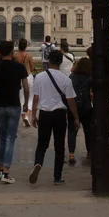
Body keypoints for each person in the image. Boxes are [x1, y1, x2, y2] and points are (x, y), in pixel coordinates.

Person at [29, 49, 80, 186]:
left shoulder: (39, 77)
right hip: (59, 114)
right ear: (61, 61)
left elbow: (35, 98)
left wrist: (34, 115)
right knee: (59, 146)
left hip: (45, 113)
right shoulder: (65, 79)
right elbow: (70, 101)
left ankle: (38, 163)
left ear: (49, 60)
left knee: (42, 144)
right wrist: (76, 117)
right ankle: (57, 177)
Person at [0, 40, 29, 184]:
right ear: (12, 51)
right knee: (10, 138)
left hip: (0, 106)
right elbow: (26, 88)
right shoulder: (19, 67)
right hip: (14, 106)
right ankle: (6, 172)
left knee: (2, 137)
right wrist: (26, 104)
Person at [67, 57, 93, 165]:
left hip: (73, 106)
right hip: (86, 106)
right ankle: (89, 151)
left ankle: (71, 153)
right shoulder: (90, 78)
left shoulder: (72, 77)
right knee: (88, 130)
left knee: (72, 131)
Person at [14, 38, 34, 126]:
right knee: (30, 98)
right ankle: (27, 116)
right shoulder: (29, 56)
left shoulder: (15, 56)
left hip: (19, 78)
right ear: (26, 46)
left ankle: (24, 119)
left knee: (21, 98)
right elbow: (32, 67)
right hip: (28, 76)